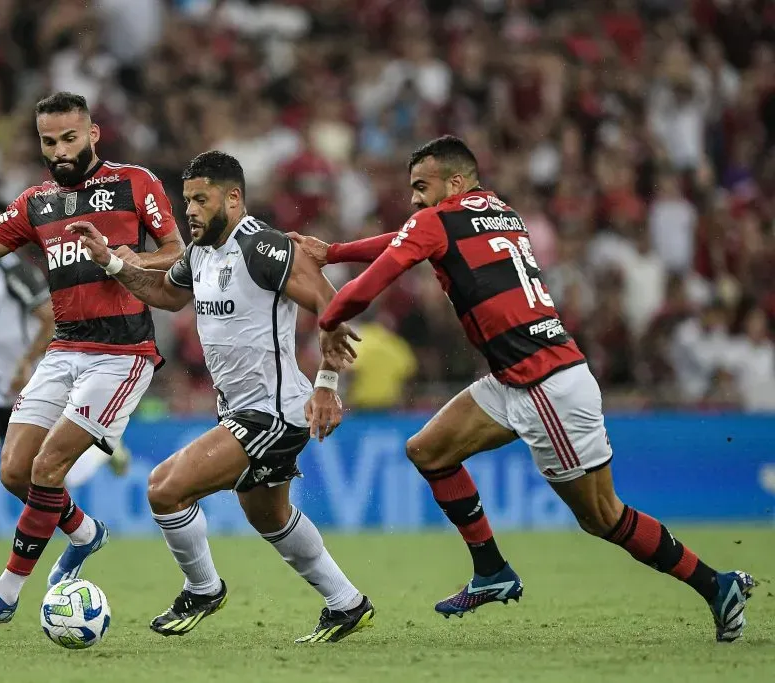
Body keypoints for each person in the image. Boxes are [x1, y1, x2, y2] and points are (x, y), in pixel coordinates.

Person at [296, 135, 754, 643]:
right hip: (516, 377)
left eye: (420, 187)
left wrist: (328, 316)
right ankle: (492, 571)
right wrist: (333, 251)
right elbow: (408, 239)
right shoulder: (498, 211)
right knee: (428, 450)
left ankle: (717, 584)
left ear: (454, 182)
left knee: (603, 516)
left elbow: (367, 287)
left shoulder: (437, 221)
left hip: (545, 387)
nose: (413, 199)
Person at [0, 91, 183, 627]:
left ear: (93, 134)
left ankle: (5, 593)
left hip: (121, 352)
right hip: (63, 348)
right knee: (15, 471)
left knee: (47, 466)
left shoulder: (135, 183)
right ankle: (86, 533)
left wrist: (117, 259)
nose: (61, 150)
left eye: (70, 137)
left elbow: (178, 252)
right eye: (49, 141)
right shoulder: (35, 203)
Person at [66, 150, 374, 643]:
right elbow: (167, 295)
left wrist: (326, 385)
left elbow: (329, 302)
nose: (188, 209)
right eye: (185, 199)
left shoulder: (262, 247)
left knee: (165, 487)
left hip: (272, 412)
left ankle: (203, 588)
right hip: (244, 409)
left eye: (199, 199)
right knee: (268, 515)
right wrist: (111, 262)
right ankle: (346, 602)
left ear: (233, 198)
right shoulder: (199, 252)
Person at [0, 198, 131, 586]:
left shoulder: (17, 271)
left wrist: (23, 363)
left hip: (31, 386)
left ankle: (104, 451)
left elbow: (48, 318)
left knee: (58, 470)